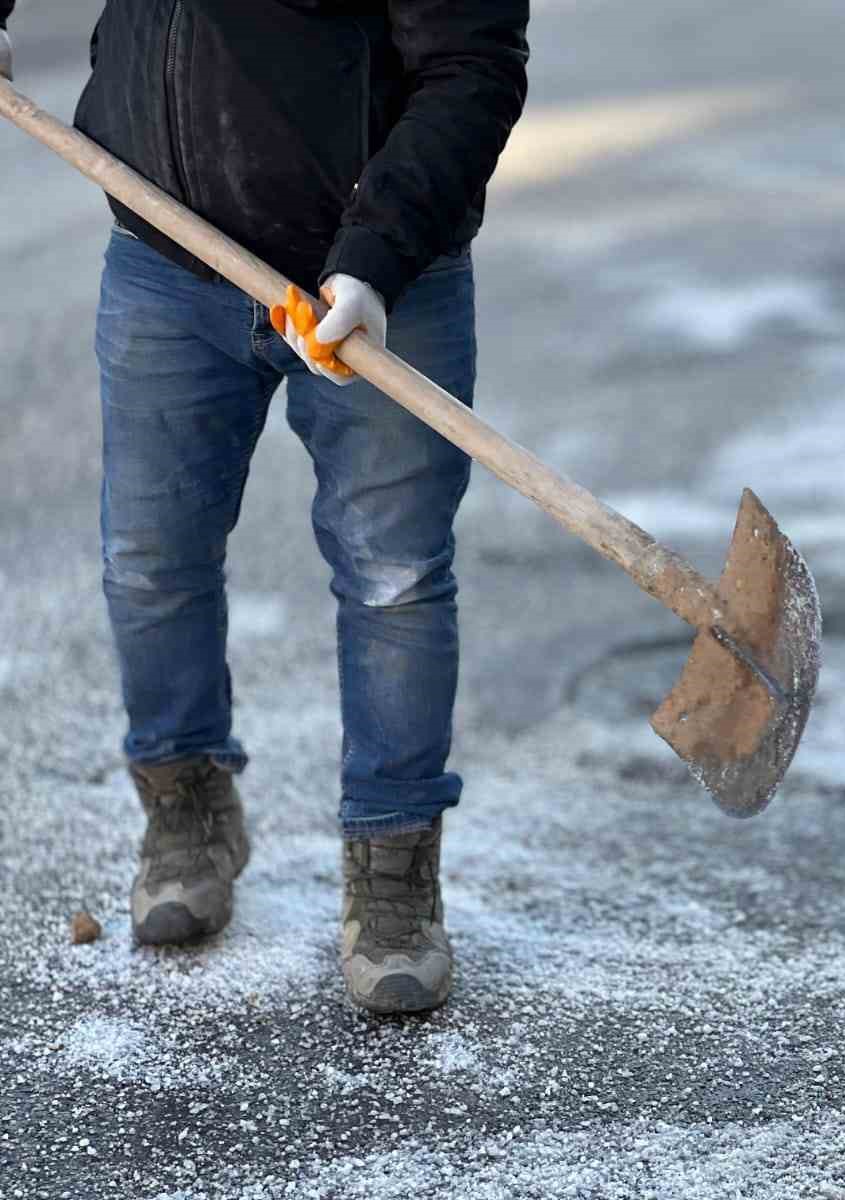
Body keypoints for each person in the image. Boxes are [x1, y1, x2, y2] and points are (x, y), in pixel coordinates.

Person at [0, 1, 530, 1013]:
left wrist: (379, 253)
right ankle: (187, 811)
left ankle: (393, 873)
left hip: (382, 281)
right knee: (150, 560)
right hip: (165, 258)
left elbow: (474, 62)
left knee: (395, 579)